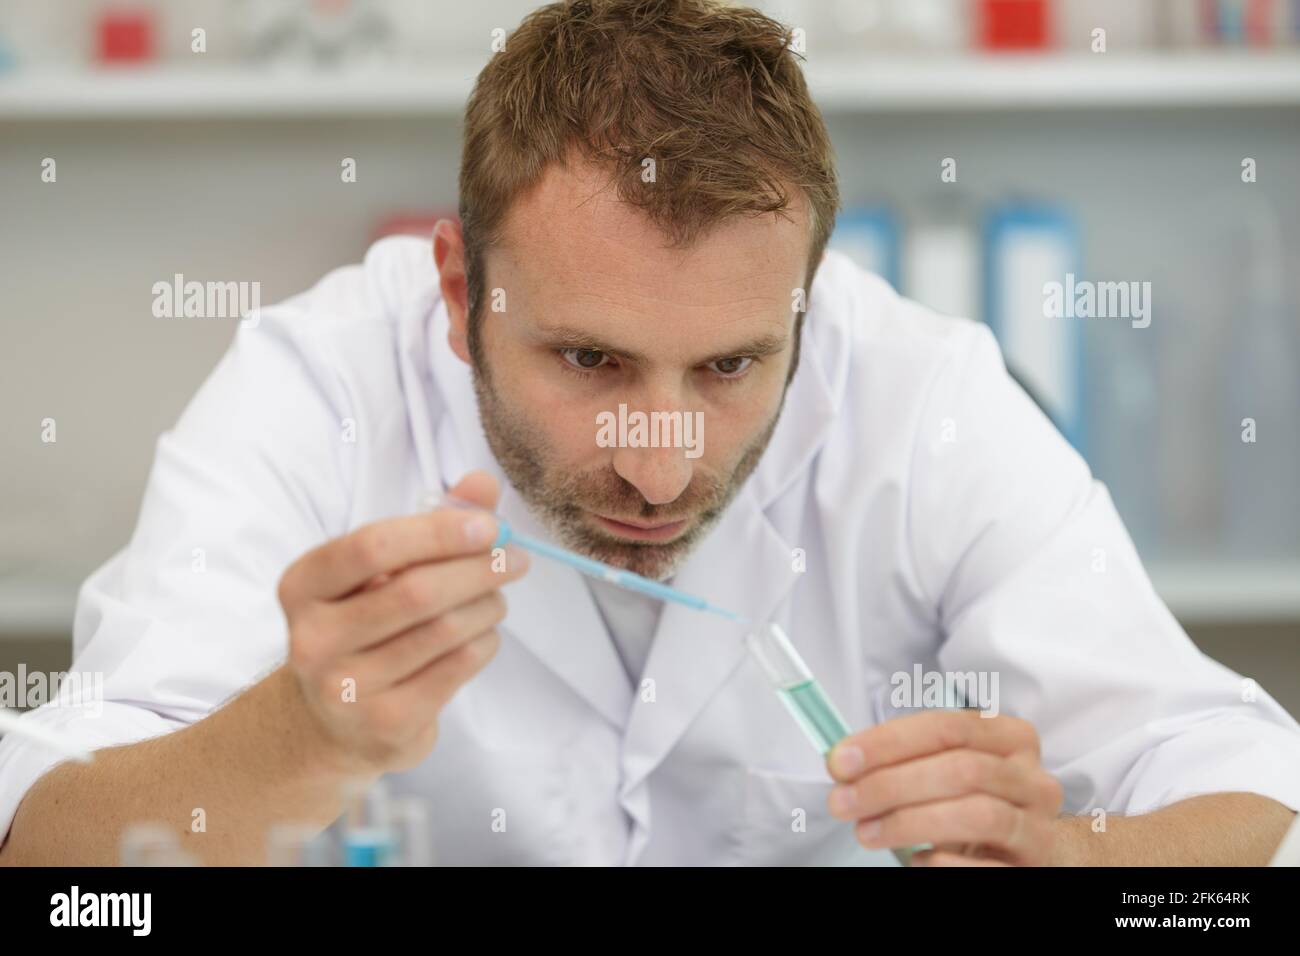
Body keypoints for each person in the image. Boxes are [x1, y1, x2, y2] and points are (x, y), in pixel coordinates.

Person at [2, 0, 1297, 866]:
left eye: (733, 365)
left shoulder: (925, 399)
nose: (662, 464)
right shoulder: (315, 393)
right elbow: (52, 859)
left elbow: (1258, 796)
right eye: (589, 358)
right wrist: (302, 735)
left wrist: (1089, 860)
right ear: (461, 291)